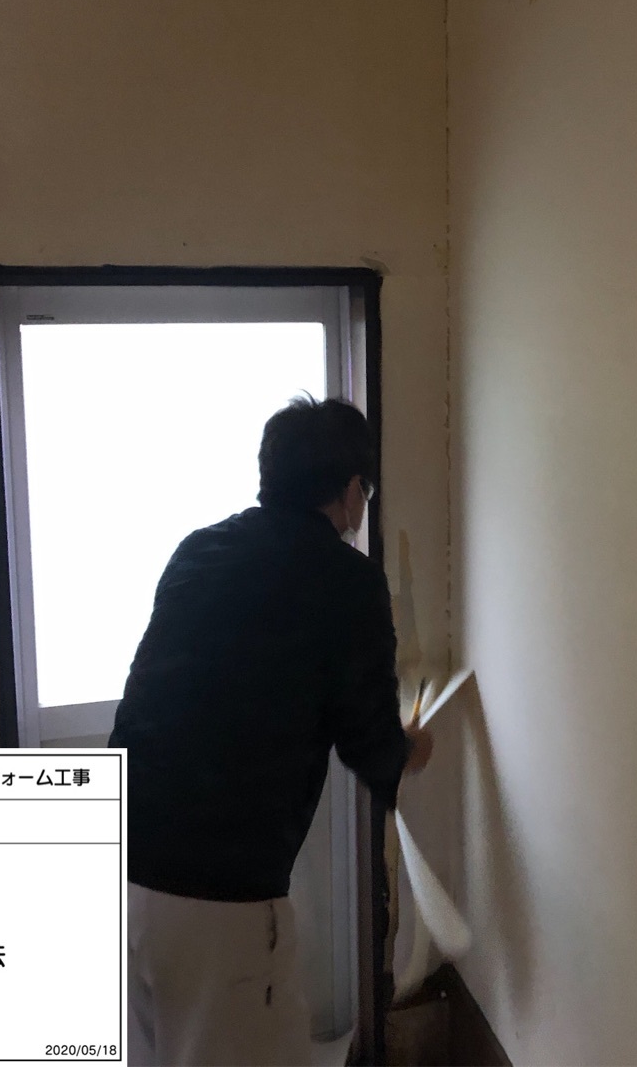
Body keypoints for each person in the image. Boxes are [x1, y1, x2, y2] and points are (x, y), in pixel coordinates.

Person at [109, 396, 432, 1067]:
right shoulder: (348, 583)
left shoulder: (199, 550)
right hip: (216, 902)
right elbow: (370, 745)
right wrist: (410, 747)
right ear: (352, 492)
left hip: (114, 863)